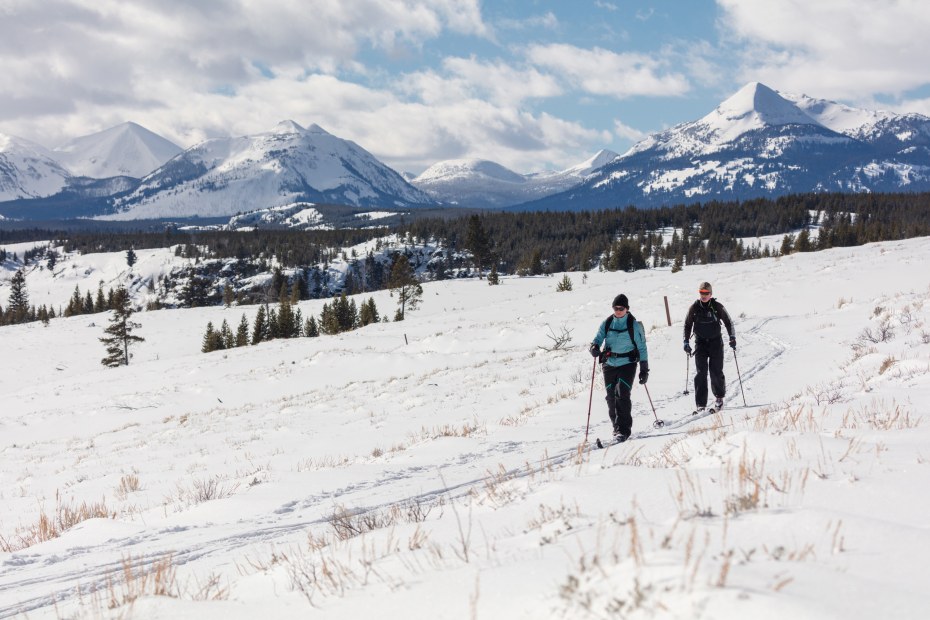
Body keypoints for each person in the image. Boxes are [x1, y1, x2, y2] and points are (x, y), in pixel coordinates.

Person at [589, 294, 649, 442]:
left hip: (627, 363)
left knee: (622, 393)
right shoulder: (608, 322)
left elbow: (642, 347)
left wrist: (644, 368)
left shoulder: (633, 325)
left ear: (627, 309)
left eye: (621, 308)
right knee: (611, 397)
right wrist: (594, 347)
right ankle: (616, 429)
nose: (618, 311)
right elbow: (597, 338)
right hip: (609, 364)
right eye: (615, 308)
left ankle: (623, 430)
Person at [683, 281, 736, 413]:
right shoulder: (694, 308)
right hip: (700, 343)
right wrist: (685, 342)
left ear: (711, 294)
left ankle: (719, 398)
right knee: (701, 373)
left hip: (716, 343)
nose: (704, 295)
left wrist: (732, 337)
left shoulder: (717, 306)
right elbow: (687, 325)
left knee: (716, 371)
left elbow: (728, 322)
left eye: (706, 293)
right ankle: (701, 404)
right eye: (702, 292)